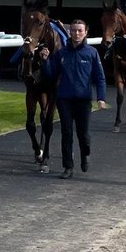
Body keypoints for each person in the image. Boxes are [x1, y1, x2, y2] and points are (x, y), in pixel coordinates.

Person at [42, 19, 107, 178]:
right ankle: (68, 167)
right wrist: (45, 61)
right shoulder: (61, 53)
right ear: (69, 32)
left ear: (86, 32)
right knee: (67, 133)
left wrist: (101, 97)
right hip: (64, 99)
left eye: (80, 30)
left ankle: (85, 154)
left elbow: (100, 77)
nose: (76, 33)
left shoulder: (92, 53)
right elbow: (51, 75)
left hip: (83, 100)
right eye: (73, 30)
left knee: (83, 134)